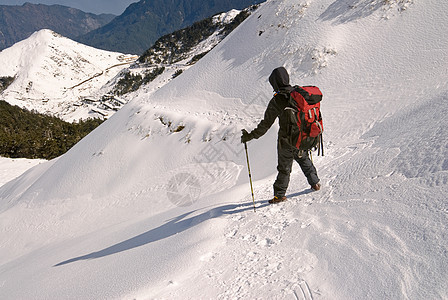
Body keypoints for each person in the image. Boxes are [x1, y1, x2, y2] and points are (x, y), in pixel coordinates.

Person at [241, 67, 321, 204]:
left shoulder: (278, 100)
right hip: (303, 136)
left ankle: (279, 195)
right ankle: (315, 183)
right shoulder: (298, 93)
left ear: (275, 83)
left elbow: (265, 125)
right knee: (302, 158)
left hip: (286, 140)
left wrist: (249, 136)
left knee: (284, 168)